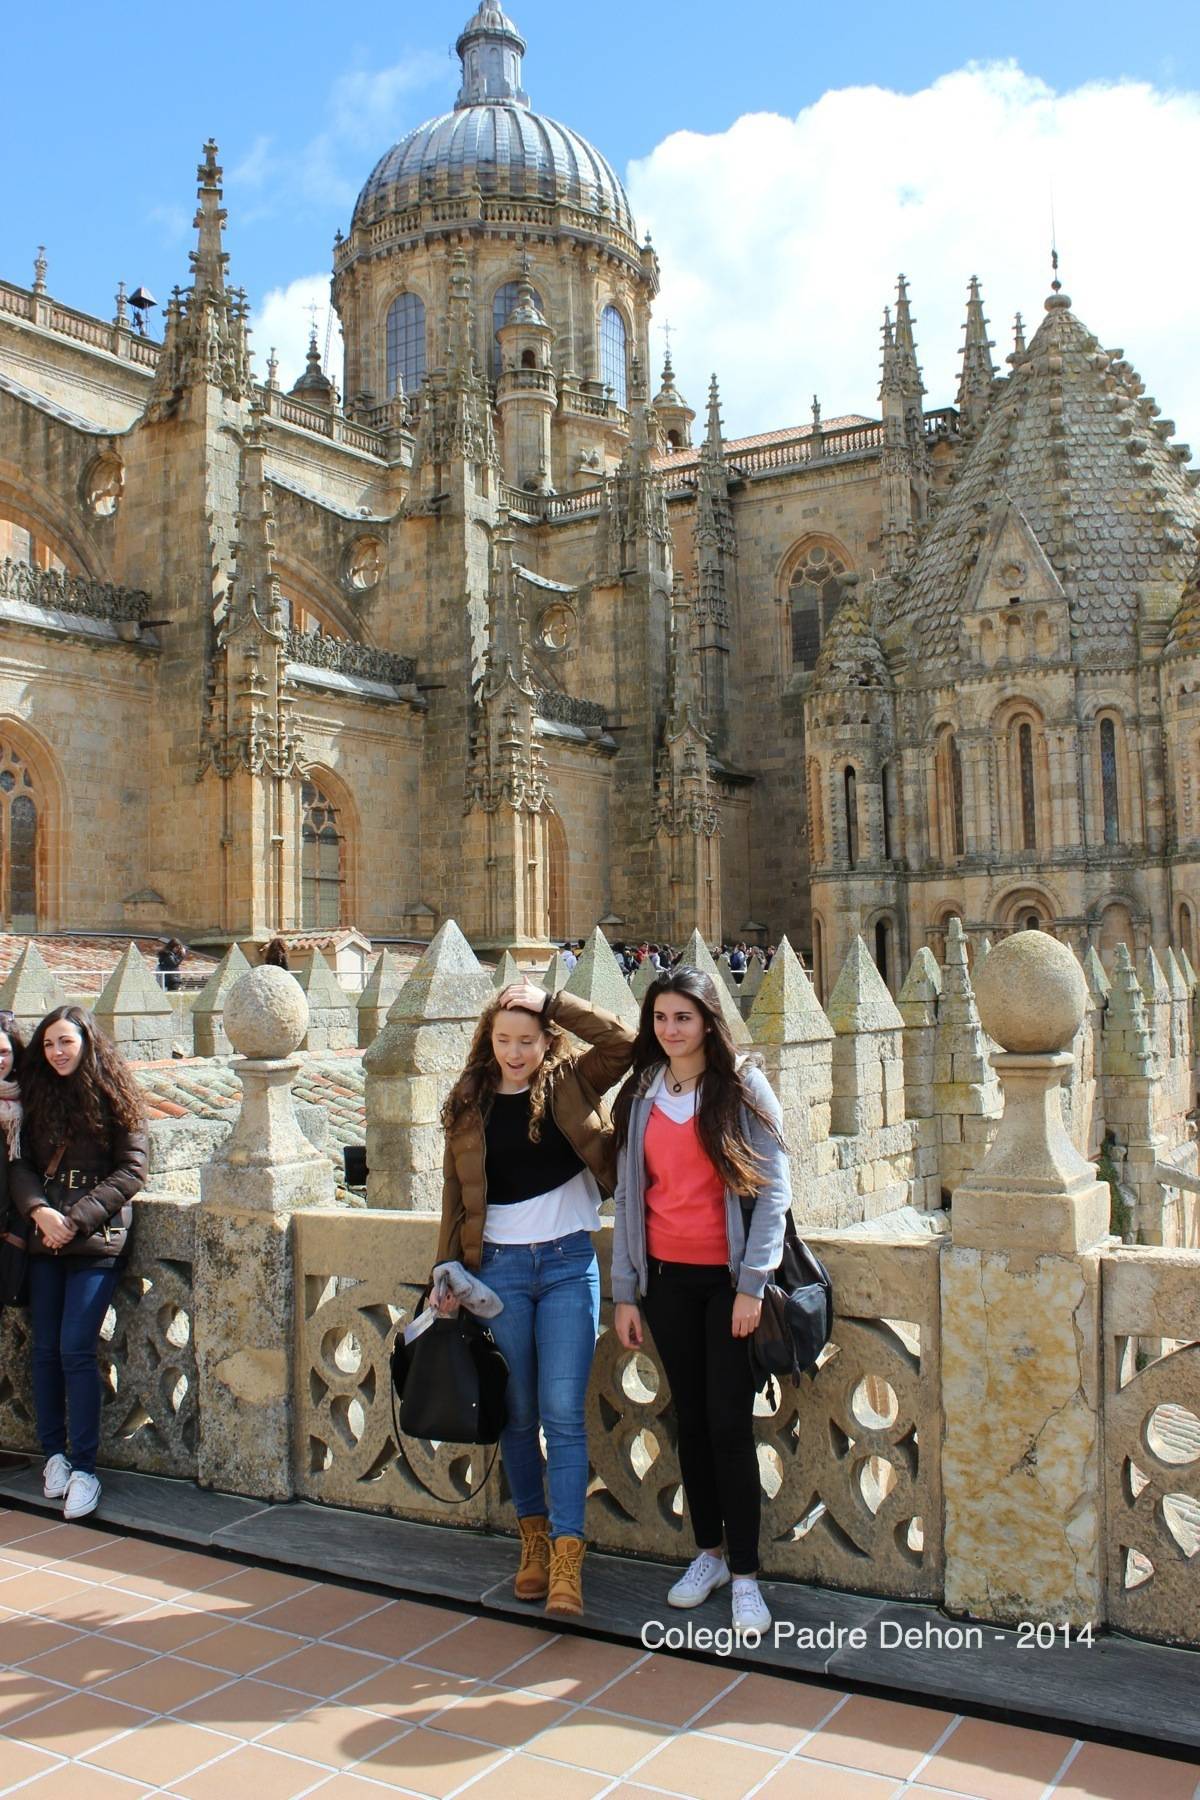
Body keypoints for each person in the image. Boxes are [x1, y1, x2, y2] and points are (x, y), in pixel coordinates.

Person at [435, 978, 636, 1618]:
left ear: (547, 1040)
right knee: (519, 1413)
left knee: (562, 1413)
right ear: (487, 1041)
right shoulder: (469, 1102)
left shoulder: (573, 1081)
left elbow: (626, 1043)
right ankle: (534, 1542)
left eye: (527, 1040)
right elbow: (453, 1196)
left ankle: (569, 1561)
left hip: (568, 1264)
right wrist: (443, 1271)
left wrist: (554, 1000)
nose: (515, 1052)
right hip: (497, 1274)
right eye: (503, 1040)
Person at [611, 967, 791, 1636]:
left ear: (707, 1021)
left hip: (725, 1285)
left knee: (727, 1424)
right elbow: (630, 1197)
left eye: (682, 1017)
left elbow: (774, 1190)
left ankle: (746, 1575)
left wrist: (751, 1284)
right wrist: (626, 1292)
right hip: (665, 1282)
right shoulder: (642, 1093)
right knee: (687, 1421)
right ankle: (707, 1555)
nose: (670, 1029)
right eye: (660, 1018)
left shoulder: (741, 1086)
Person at [11, 1006, 148, 1520]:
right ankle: (55, 1457)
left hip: (95, 1241)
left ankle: (86, 1468)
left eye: (65, 1042)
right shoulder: (38, 1096)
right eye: (48, 1044)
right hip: (45, 1239)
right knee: (44, 1350)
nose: (57, 1052)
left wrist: (77, 1218)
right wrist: (40, 1211)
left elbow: (133, 1170)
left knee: (75, 1350)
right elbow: (20, 1164)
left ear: (88, 1042)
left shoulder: (117, 1097)